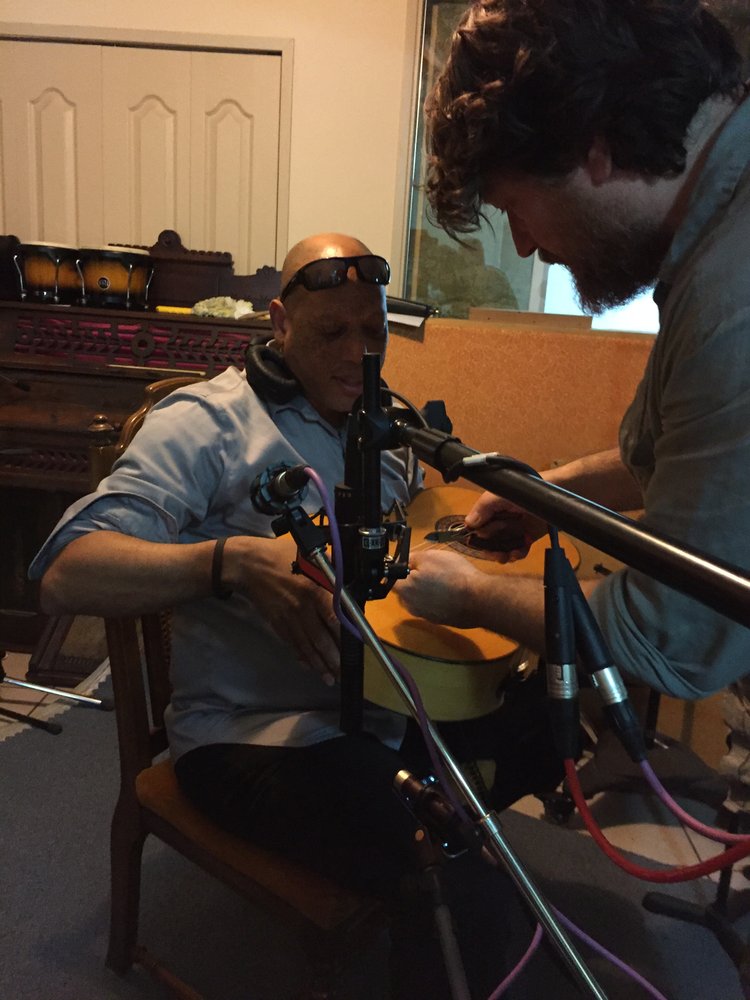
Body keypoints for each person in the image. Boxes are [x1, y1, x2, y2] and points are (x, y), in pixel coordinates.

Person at [30, 232, 568, 999]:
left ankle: (442, 818)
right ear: (278, 322)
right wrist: (231, 563)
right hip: (253, 735)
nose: (358, 356)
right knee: (449, 865)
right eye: (330, 334)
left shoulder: (383, 422)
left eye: (373, 333)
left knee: (562, 714)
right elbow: (64, 571)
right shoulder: (204, 424)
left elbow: (409, 525)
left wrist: (463, 535)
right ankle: (445, 850)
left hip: (377, 704)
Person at [397, 0, 750, 744]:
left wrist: (475, 594)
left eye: (515, 206)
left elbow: (668, 636)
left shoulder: (732, 297)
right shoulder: (715, 233)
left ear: (593, 147)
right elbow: (683, 455)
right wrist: (546, 496)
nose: (524, 246)